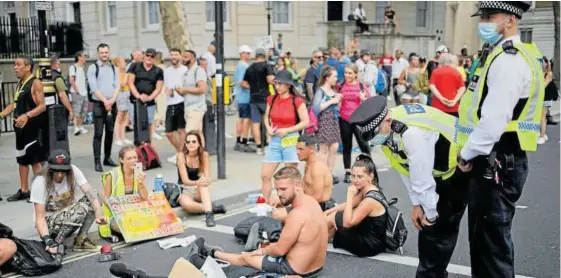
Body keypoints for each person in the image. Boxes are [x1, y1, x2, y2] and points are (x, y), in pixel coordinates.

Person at [458, 2, 544, 277]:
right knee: (488, 244)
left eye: (489, 16)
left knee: (491, 250)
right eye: (481, 16)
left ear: (510, 20)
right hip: (503, 158)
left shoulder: (508, 61)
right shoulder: (503, 54)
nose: (482, 22)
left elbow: (493, 122)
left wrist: (466, 155)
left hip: (495, 159)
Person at [350, 96, 469, 277]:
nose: (373, 140)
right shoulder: (386, 132)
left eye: (374, 134)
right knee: (431, 236)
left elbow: (422, 178)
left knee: (438, 232)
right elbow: (403, 167)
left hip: (461, 167)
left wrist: (430, 214)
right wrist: (416, 204)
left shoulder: (412, 133)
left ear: (388, 121)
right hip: (438, 169)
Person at [197, 166, 327, 277]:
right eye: (277, 189)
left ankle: (212, 253)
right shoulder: (312, 203)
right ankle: (259, 244)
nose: (279, 194)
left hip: (293, 269)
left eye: (283, 189)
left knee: (246, 257)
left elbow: (280, 250)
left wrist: (261, 252)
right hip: (316, 267)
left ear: (297, 185)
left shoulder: (296, 214)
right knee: (269, 244)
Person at [29, 149, 107, 252]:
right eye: (56, 171)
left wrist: (99, 215)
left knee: (95, 195)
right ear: (50, 169)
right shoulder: (40, 181)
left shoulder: (74, 170)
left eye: (63, 171)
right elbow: (40, 218)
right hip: (49, 223)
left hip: (68, 215)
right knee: (80, 208)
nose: (60, 175)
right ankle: (56, 242)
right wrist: (47, 240)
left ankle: (81, 240)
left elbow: (91, 193)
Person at [0, 55, 46, 202]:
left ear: (28, 67)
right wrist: (1, 114)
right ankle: (24, 190)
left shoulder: (35, 83)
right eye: (14, 65)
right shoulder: (21, 83)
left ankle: (41, 192)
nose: (15, 68)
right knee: (22, 160)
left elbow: (42, 106)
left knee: (35, 161)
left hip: (31, 128)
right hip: (20, 130)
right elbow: (14, 105)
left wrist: (27, 115)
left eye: (18, 65)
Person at [324, 154, 387, 257]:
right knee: (334, 220)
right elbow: (348, 205)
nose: (355, 180)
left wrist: (349, 195)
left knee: (333, 218)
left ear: (370, 176)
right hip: (374, 240)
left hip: (369, 246)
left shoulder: (370, 200)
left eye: (360, 176)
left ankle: (312, 243)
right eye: (353, 176)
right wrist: (327, 211)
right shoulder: (369, 189)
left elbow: (348, 223)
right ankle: (317, 242)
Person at [261, 70, 309, 203]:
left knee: (291, 177)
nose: (277, 87)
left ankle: (296, 203)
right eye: (276, 83)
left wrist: (287, 130)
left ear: (288, 85)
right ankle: (264, 205)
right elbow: (266, 116)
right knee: (265, 175)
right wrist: (269, 127)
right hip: (275, 139)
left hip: (291, 138)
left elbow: (306, 121)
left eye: (280, 84)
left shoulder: (297, 101)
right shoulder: (272, 99)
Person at [272, 135, 334, 222]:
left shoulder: (317, 168)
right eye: (297, 148)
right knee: (279, 205)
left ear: (311, 149)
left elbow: (318, 197)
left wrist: (294, 206)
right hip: (309, 204)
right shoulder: (308, 164)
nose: (297, 152)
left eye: (301, 149)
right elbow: (303, 189)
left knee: (278, 215)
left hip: (320, 207)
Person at [99, 145, 149, 242]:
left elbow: (145, 197)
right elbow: (105, 198)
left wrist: (142, 183)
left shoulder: (138, 173)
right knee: (129, 228)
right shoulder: (112, 175)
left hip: (132, 213)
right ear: (121, 160)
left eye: (135, 157)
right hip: (115, 215)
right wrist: (118, 209)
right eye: (129, 158)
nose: (133, 161)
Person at [177, 131, 227, 227]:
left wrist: (205, 180)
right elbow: (185, 181)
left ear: (199, 143)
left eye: (194, 141)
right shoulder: (181, 156)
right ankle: (211, 208)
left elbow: (208, 177)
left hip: (200, 189)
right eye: (188, 142)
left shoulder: (204, 155)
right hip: (186, 189)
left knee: (203, 182)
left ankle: (209, 215)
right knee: (186, 205)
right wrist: (198, 182)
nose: (191, 144)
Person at [87, 43, 119, 172]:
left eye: (106, 52)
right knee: (99, 133)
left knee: (110, 132)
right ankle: (97, 161)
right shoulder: (93, 68)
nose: (104, 55)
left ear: (109, 53)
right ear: (98, 54)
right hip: (100, 105)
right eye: (102, 53)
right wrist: (105, 101)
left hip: (112, 104)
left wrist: (112, 100)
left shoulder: (113, 67)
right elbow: (94, 88)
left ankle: (107, 158)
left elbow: (117, 86)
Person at [337, 63, 371, 183]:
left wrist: (362, 99)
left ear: (356, 74)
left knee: (363, 144)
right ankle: (347, 172)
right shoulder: (340, 85)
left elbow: (369, 103)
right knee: (347, 146)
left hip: (358, 119)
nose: (347, 75)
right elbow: (336, 101)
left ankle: (369, 169)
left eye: (350, 73)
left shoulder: (361, 86)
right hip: (344, 119)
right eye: (346, 72)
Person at [311, 66, 341, 184]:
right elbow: (316, 108)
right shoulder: (320, 91)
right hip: (324, 120)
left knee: (334, 148)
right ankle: (321, 174)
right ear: (327, 78)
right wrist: (332, 101)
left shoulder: (334, 90)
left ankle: (329, 172)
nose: (336, 79)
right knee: (323, 149)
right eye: (334, 76)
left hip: (333, 120)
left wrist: (338, 100)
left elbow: (336, 107)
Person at [128, 48, 164, 141]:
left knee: (149, 123)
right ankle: (137, 146)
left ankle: (148, 146)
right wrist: (138, 96)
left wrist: (149, 98)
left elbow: (158, 88)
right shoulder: (135, 66)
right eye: (147, 55)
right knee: (137, 123)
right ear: (144, 56)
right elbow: (130, 83)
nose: (149, 58)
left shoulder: (158, 71)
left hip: (150, 102)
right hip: (136, 101)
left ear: (155, 59)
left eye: (152, 56)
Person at [176, 50, 207, 148]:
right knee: (198, 133)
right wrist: (180, 92)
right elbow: (188, 92)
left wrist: (184, 89)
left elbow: (202, 89)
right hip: (189, 107)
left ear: (193, 59)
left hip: (196, 107)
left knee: (190, 134)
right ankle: (201, 156)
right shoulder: (186, 72)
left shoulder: (198, 70)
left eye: (186, 57)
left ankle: (186, 156)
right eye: (183, 57)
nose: (183, 59)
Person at [162, 48, 188, 164]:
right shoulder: (166, 71)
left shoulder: (185, 70)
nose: (173, 57)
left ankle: (180, 154)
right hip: (170, 102)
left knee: (181, 129)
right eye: (172, 55)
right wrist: (167, 91)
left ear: (180, 56)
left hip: (182, 102)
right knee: (168, 132)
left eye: (176, 55)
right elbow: (166, 86)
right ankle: (180, 152)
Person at [234, 45, 256, 153]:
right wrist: (253, 87)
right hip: (245, 96)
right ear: (242, 54)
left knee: (241, 119)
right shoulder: (243, 66)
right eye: (247, 53)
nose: (249, 55)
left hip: (241, 97)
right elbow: (241, 82)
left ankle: (239, 141)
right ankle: (244, 142)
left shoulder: (240, 65)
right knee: (246, 120)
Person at [113, 56, 133, 146]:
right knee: (120, 116)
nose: (125, 63)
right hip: (121, 94)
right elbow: (122, 84)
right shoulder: (117, 72)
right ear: (118, 63)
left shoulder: (124, 72)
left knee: (125, 117)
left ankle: (123, 137)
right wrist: (126, 76)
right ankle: (117, 138)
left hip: (126, 93)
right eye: (123, 61)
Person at [69, 51, 89, 136]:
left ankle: (79, 126)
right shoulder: (73, 67)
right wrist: (77, 90)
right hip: (77, 93)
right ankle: (76, 127)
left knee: (84, 111)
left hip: (84, 93)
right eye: (84, 56)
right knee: (76, 110)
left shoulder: (83, 68)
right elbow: (71, 80)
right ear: (79, 57)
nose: (85, 58)